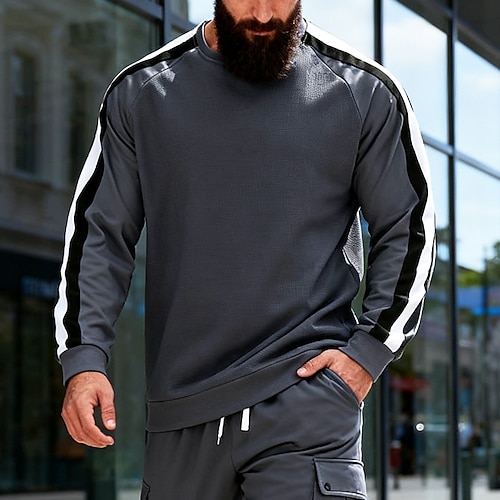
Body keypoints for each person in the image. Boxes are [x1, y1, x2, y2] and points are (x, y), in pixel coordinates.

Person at [54, 0, 436, 498]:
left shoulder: (362, 90)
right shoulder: (142, 92)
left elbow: (409, 228)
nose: (262, 13)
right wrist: (84, 358)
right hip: (178, 414)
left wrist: (366, 354)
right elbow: (99, 235)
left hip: (305, 401)